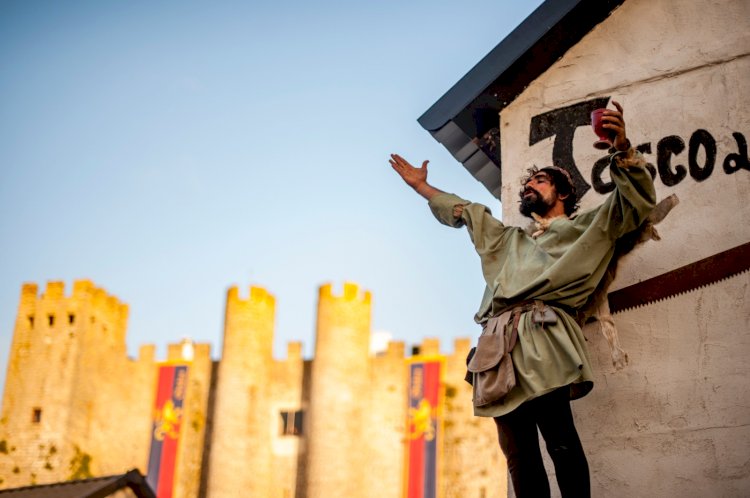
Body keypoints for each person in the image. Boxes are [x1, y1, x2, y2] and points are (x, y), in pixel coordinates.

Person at [389, 102, 656, 498]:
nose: (530, 187)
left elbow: (633, 204)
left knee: (560, 441)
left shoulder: (588, 227)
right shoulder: (508, 240)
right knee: (518, 455)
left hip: (544, 336)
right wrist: (423, 188)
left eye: (541, 182)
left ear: (564, 192)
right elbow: (471, 213)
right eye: (528, 184)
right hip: (496, 347)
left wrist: (621, 149)